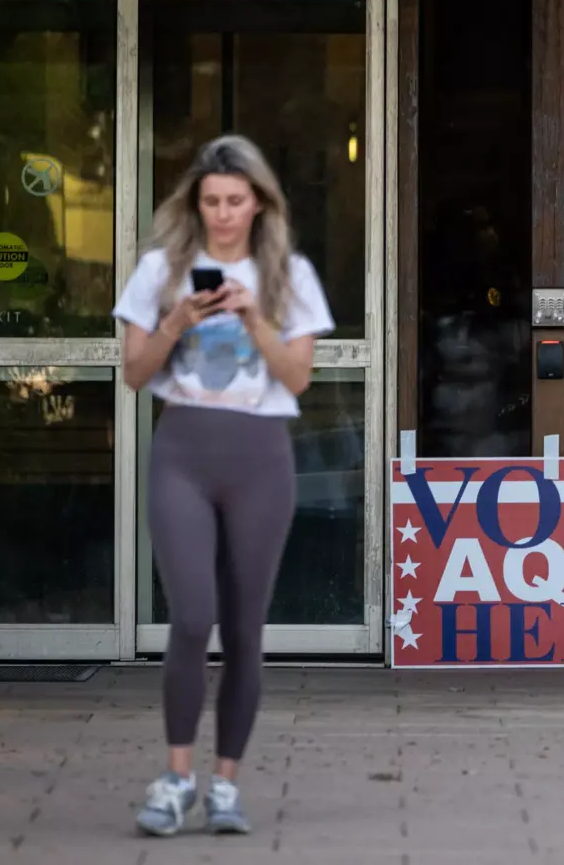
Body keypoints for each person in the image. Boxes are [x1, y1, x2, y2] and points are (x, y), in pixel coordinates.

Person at [112, 135, 333, 837]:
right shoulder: (159, 270)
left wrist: (251, 316)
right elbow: (135, 372)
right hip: (183, 447)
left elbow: (297, 377)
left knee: (243, 629)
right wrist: (179, 318)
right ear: (195, 204)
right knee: (190, 616)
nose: (223, 214)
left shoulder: (289, 274)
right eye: (211, 201)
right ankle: (176, 777)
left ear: (260, 202)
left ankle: (226, 784)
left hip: (260, 456)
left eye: (236, 201)